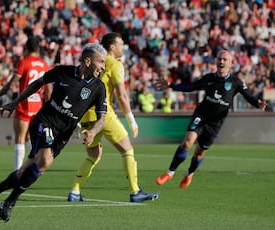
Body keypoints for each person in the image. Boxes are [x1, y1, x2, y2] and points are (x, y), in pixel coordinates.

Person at [0, 43, 108, 222]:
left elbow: (102, 118)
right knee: (45, 161)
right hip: (44, 121)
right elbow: (37, 84)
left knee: (26, 170)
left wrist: (94, 132)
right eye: (101, 62)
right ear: (87, 61)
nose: (103, 67)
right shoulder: (62, 71)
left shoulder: (99, 87)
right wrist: (15, 102)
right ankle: (10, 201)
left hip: (63, 135)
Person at [155, 50, 267, 189]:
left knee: (199, 154)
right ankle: (169, 173)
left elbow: (248, 96)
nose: (221, 62)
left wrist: (258, 103)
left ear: (231, 63)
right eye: (219, 59)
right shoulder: (208, 78)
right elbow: (191, 87)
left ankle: (189, 174)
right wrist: (171, 85)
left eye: (224, 59)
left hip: (215, 123)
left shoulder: (236, 82)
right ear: (216, 61)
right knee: (187, 143)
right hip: (201, 115)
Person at [67, 33, 158, 203]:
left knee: (94, 155)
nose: (123, 47)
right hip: (104, 115)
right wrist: (131, 119)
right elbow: (122, 96)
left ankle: (75, 191)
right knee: (127, 149)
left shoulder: (91, 60)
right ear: (112, 47)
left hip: (86, 114)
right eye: (121, 44)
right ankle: (135, 191)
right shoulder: (115, 65)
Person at [0, 36, 52, 170]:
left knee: (20, 138)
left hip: (24, 105)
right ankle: (35, 166)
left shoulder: (24, 62)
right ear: (38, 49)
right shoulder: (44, 65)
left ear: (26, 48)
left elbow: (12, 83)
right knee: (30, 138)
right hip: (38, 106)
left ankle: (17, 172)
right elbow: (49, 90)